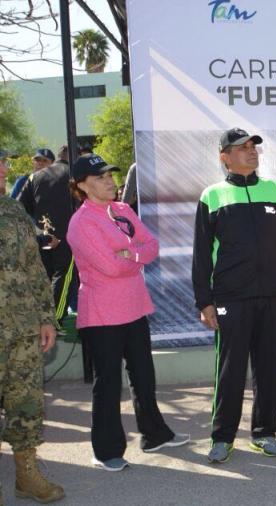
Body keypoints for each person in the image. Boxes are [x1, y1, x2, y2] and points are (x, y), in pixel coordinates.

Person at [192, 127, 276, 464]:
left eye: (253, 147)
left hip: (274, 296)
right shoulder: (212, 196)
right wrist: (205, 300)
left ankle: (265, 432)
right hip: (231, 297)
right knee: (229, 370)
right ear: (224, 157)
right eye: (241, 148)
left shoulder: (275, 191)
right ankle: (222, 436)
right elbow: (201, 255)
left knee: (270, 367)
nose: (250, 152)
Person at [67, 154, 190, 471]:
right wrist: (134, 256)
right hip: (103, 315)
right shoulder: (81, 223)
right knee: (108, 384)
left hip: (135, 307)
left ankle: (154, 435)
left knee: (144, 376)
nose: (110, 181)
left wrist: (130, 253)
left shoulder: (122, 210)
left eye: (110, 175)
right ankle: (106, 450)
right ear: (82, 186)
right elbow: (109, 267)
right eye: (100, 177)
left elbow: (152, 245)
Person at [0, 149, 65, 502]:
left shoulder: (13, 210)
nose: (3, 168)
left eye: (4, 162)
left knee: (26, 405)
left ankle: (27, 476)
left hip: (21, 329)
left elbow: (35, 270)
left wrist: (45, 317)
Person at [17, 145, 79, 323]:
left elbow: (19, 206)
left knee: (44, 276)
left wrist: (38, 226)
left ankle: (43, 318)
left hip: (42, 234)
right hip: (66, 235)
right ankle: (54, 319)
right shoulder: (73, 175)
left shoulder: (34, 177)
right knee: (64, 275)